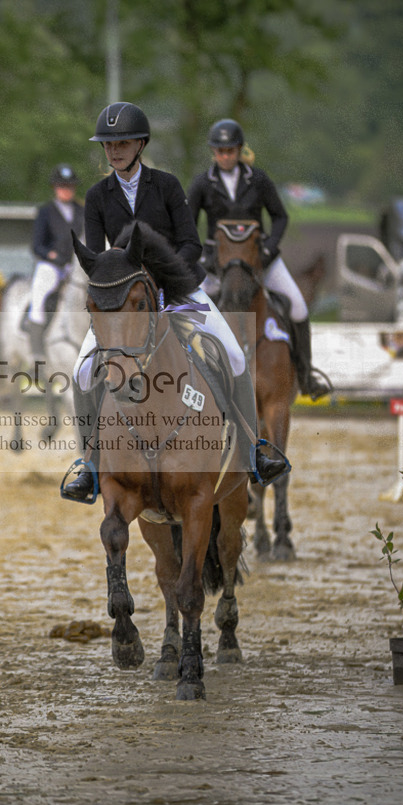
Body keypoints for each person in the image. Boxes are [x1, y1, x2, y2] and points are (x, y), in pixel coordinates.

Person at [61, 101, 289, 503]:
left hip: (179, 291)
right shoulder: (97, 197)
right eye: (108, 145)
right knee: (82, 372)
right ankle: (89, 464)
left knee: (235, 355)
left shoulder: (165, 185)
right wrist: (116, 295)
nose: (114, 151)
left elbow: (191, 244)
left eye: (123, 143)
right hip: (127, 303)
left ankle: (254, 450)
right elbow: (97, 260)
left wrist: (164, 287)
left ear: (140, 144)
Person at [188, 118, 332, 401]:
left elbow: (280, 217)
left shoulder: (259, 180)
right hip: (219, 267)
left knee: (299, 308)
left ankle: (305, 375)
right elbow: (186, 223)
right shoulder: (203, 183)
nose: (226, 156)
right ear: (213, 152)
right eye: (220, 151)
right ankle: (189, 380)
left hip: (260, 262)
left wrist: (267, 249)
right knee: (188, 314)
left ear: (240, 150)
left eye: (231, 150)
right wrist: (204, 253)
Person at [27, 164, 85, 357]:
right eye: (62, 186)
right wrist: (51, 255)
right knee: (40, 294)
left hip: (77, 266)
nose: (66, 190)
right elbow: (37, 245)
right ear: (55, 188)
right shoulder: (46, 211)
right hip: (52, 266)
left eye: (69, 186)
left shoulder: (82, 211)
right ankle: (37, 349)